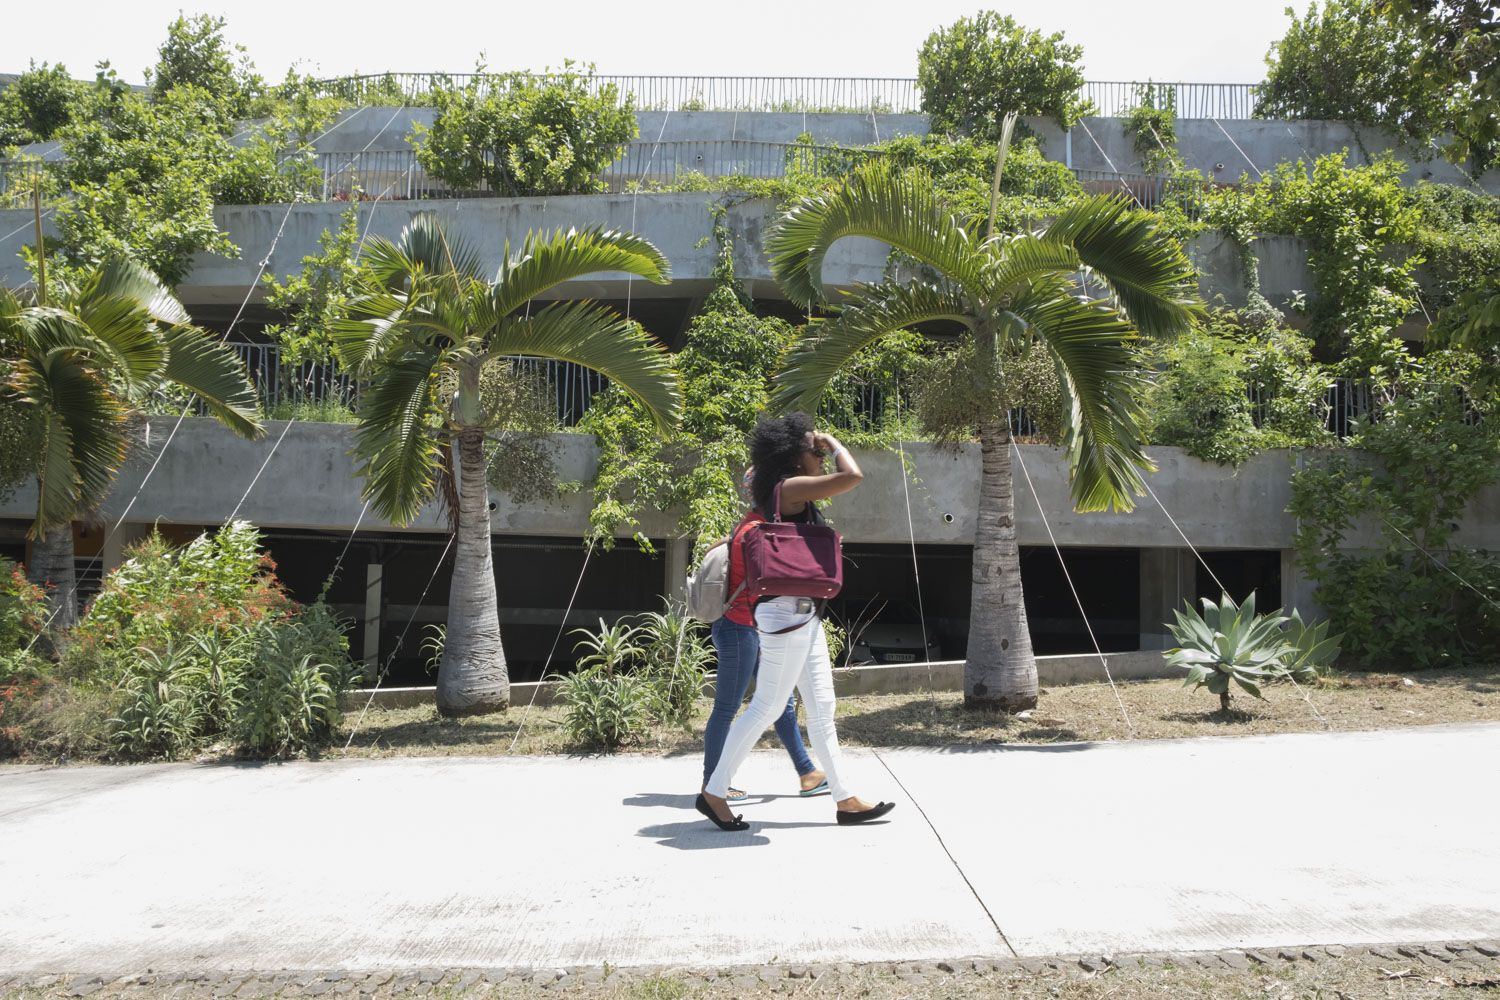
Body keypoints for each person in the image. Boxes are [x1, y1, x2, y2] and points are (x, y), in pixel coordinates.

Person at [696, 413, 896, 831]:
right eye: (814, 452)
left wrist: (817, 443)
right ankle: (714, 791)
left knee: (822, 707)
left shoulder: (794, 498)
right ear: (793, 456)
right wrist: (833, 439)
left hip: (804, 613)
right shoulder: (787, 488)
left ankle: (844, 799)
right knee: (768, 704)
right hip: (785, 613)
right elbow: (853, 475)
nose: (821, 457)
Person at [703, 481, 829, 801]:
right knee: (727, 708)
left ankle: (808, 774)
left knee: (780, 703)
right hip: (739, 629)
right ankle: (712, 783)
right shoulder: (756, 533)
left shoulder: (748, 527)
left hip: (756, 630)